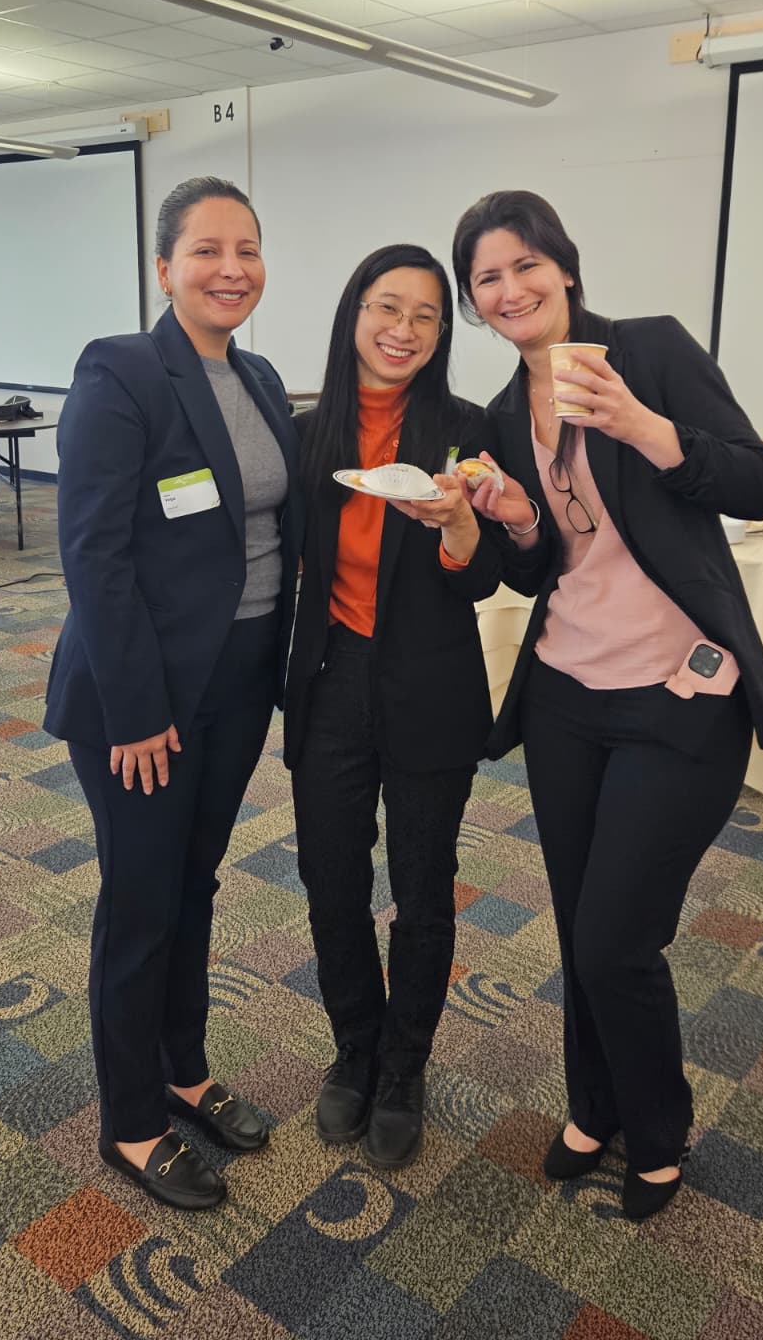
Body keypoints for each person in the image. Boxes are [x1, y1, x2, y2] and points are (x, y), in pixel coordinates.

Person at [450, 190, 763, 1220]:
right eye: (487, 278)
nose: (510, 289)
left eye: (525, 265)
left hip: (680, 695)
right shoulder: (502, 413)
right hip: (566, 697)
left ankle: (658, 1125)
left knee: (614, 939)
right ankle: (593, 1109)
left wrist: (643, 426)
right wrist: (516, 520)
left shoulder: (649, 349)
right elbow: (541, 565)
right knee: (578, 924)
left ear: (564, 265)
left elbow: (755, 485)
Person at [44, 177, 303, 1210]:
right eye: (206, 250)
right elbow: (94, 553)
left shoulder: (262, 375)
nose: (231, 269)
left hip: (238, 680)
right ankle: (132, 1120)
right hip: (141, 694)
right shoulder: (121, 371)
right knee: (142, 899)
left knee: (195, 882)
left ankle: (183, 1069)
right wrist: (140, 709)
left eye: (248, 249)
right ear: (164, 268)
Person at [284, 244, 502, 1170]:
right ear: (353, 314)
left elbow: (490, 577)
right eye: (386, 307)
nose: (403, 329)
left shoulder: (468, 431)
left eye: (425, 315)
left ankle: (405, 1066)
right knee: (330, 879)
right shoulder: (307, 433)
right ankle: (355, 1048)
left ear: (443, 332)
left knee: (422, 890)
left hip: (430, 683)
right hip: (331, 677)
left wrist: (460, 527)